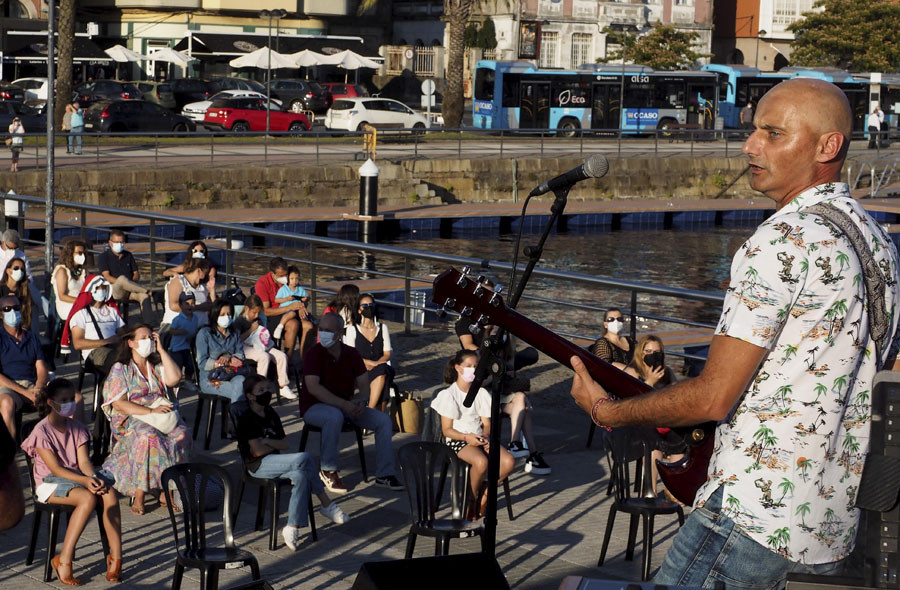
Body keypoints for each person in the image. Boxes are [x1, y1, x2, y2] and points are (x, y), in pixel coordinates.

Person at [571, 79, 900, 588]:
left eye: (772, 133)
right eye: (753, 131)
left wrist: (604, 410)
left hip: (752, 520)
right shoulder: (877, 240)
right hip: (830, 524)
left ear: (827, 146)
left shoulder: (779, 242)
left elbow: (713, 397)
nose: (750, 146)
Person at [21, 378, 123, 584]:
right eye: (64, 400)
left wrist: (92, 478)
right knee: (87, 499)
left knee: (109, 494)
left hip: (76, 477)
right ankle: (63, 560)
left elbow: (84, 461)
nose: (70, 403)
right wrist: (85, 482)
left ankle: (116, 558)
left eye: (72, 399)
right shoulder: (41, 431)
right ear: (50, 402)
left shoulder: (77, 427)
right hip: (49, 483)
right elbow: (56, 469)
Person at [234, 375, 348, 551]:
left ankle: (292, 527)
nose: (266, 393)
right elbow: (256, 451)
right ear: (250, 396)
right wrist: (268, 444)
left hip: (277, 461)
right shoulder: (246, 418)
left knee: (302, 475)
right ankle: (326, 503)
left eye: (267, 389)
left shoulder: (270, 413)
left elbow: (285, 444)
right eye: (261, 391)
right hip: (257, 466)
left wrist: (267, 442)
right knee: (305, 458)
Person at [298, 312, 403, 494]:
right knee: (334, 416)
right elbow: (313, 387)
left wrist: (362, 401)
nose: (323, 333)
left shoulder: (350, 353)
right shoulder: (313, 354)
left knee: (382, 420)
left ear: (339, 333)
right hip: (315, 407)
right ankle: (328, 469)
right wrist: (345, 405)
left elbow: (363, 383)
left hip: (346, 406)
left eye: (328, 330)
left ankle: (385, 473)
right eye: (321, 329)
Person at [100, 323, 189, 515]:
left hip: (160, 415)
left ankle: (169, 489)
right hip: (132, 417)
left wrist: (162, 350)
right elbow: (119, 404)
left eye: (151, 337)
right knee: (148, 437)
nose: (148, 341)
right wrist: (150, 412)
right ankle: (140, 493)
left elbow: (175, 378)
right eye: (143, 338)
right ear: (131, 343)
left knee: (182, 433)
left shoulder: (155, 365)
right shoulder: (121, 368)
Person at [455, 309, 550, 475]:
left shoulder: (507, 351)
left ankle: (515, 444)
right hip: (483, 396)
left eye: (501, 331)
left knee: (521, 399)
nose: (498, 335)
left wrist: (503, 371)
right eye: (494, 331)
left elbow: (511, 375)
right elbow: (477, 383)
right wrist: (494, 374)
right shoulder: (480, 353)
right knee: (524, 411)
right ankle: (532, 454)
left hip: (501, 393)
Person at [431, 349, 515, 519]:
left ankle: (485, 493)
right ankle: (471, 498)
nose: (472, 369)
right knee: (481, 462)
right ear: (458, 368)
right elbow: (446, 430)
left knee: (508, 461)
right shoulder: (449, 395)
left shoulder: (481, 393)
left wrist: (485, 437)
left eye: (475, 366)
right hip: (458, 439)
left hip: (478, 437)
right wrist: (467, 437)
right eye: (468, 366)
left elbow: (487, 423)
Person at [622, 335, 684, 497]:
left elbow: (677, 396)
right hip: (636, 423)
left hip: (662, 420)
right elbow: (629, 403)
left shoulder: (667, 372)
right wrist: (649, 382)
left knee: (680, 441)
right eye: (648, 351)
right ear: (640, 353)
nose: (652, 355)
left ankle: (673, 490)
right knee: (653, 444)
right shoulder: (632, 371)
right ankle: (650, 490)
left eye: (656, 352)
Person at [0, 295, 52, 438]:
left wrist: (39, 387)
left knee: (69, 399)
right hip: (9, 387)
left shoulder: (32, 337)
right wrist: (24, 392)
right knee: (6, 403)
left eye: (16, 308)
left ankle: (66, 448)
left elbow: (41, 366)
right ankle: (8, 453)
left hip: (32, 385)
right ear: (1, 314)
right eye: (7, 309)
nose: (13, 312)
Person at [234, 295, 296, 400]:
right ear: (247, 309)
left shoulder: (260, 319)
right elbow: (236, 340)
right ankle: (259, 388)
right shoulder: (239, 321)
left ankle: (283, 385)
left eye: (258, 312)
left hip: (259, 344)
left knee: (282, 356)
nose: (256, 315)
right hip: (244, 346)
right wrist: (251, 330)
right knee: (264, 357)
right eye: (254, 312)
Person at [342, 293, 394, 411]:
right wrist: (371, 363)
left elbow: (387, 354)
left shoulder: (383, 328)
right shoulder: (352, 329)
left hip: (380, 366)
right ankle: (377, 415)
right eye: (365, 306)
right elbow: (351, 355)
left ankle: (370, 411)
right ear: (359, 310)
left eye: (371, 305)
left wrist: (376, 364)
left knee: (382, 373)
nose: (368, 308)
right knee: (383, 377)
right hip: (360, 369)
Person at [254, 257, 310, 361]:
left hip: (293, 311)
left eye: (286, 274)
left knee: (309, 326)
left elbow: (301, 295)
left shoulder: (290, 279)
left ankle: (305, 362)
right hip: (272, 316)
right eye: (281, 276)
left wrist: (302, 305)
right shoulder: (263, 283)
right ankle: (288, 360)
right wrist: (289, 307)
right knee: (293, 324)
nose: (284, 278)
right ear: (272, 273)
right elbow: (266, 311)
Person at [66, 275, 124, 376]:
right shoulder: (81, 314)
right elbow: (77, 343)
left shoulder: (112, 311)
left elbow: (123, 333)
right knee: (117, 362)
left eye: (104, 288)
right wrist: (107, 341)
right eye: (98, 288)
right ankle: (109, 389)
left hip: (115, 348)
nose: (101, 290)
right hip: (94, 353)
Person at [97, 230, 154, 325]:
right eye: (116, 242)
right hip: (114, 289)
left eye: (121, 242)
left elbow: (136, 273)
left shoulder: (128, 255)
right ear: (110, 243)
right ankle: (146, 290)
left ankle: (150, 325)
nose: (120, 244)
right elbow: (106, 276)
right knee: (122, 279)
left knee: (144, 296)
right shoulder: (104, 256)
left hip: (131, 289)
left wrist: (130, 284)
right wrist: (124, 283)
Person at [195, 299, 247, 403]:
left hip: (232, 374)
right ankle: (238, 418)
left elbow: (241, 354)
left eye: (229, 314)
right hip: (210, 379)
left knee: (242, 382)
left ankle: (237, 416)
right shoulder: (205, 334)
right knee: (239, 391)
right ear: (215, 315)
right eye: (222, 314)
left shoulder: (234, 332)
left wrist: (230, 357)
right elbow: (201, 363)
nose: (226, 317)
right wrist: (218, 363)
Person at [161, 257, 213, 329]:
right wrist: (199, 307)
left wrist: (212, 289)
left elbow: (212, 305)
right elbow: (174, 306)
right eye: (206, 271)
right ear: (199, 270)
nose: (208, 274)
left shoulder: (203, 286)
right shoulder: (178, 281)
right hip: (176, 327)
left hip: (200, 328)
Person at [274, 265, 313, 357]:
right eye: (292, 279)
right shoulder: (284, 289)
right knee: (291, 313)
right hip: (287, 310)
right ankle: (280, 326)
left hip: (298, 310)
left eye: (296, 279)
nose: (294, 281)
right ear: (287, 279)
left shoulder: (300, 289)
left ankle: (303, 356)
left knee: (307, 322)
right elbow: (277, 300)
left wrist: (305, 299)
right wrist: (287, 299)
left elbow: (307, 297)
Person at [51, 239, 88, 322]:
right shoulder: (62, 271)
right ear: (70, 254)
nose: (82, 255)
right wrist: (80, 301)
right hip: (67, 305)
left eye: (83, 253)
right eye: (79, 253)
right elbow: (62, 296)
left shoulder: (82, 271)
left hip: (82, 304)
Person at [167, 292, 200, 380]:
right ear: (181, 305)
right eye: (187, 304)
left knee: (191, 365)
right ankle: (177, 381)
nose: (190, 306)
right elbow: (171, 331)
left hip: (188, 347)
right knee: (178, 365)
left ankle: (188, 380)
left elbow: (195, 330)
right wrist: (180, 332)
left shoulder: (195, 318)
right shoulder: (178, 319)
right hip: (177, 348)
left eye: (192, 303)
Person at [1, 257, 34, 330]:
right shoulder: (1, 289)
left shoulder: (25, 290)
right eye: (16, 268)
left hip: (20, 329)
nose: (19, 271)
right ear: (8, 271)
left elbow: (27, 314)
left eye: (22, 269)